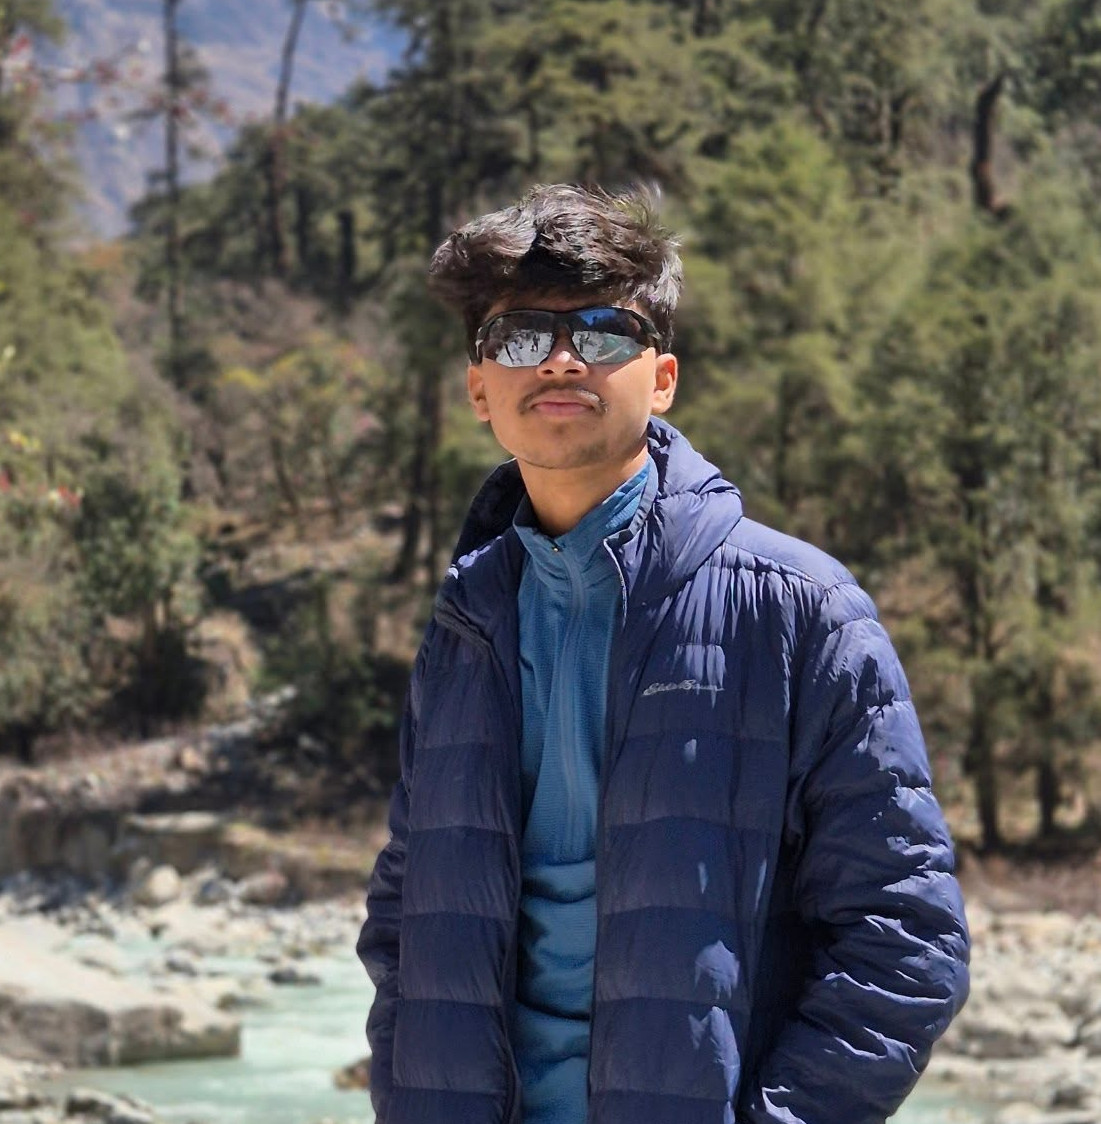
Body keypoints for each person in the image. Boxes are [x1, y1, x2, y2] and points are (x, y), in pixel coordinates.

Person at [357, 183, 970, 1124]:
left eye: (604, 333)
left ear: (663, 378)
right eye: (518, 336)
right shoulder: (469, 621)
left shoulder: (797, 609)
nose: (561, 359)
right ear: (479, 388)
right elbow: (405, 912)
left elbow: (907, 937)